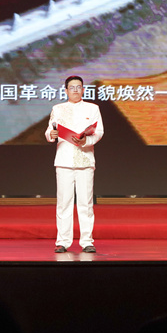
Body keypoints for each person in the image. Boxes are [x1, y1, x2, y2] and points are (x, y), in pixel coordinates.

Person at [45, 76, 104, 253]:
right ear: (66, 91)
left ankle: (87, 241)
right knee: (64, 203)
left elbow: (99, 131)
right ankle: (63, 241)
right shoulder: (58, 108)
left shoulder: (93, 108)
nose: (76, 90)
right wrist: (51, 135)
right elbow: (49, 130)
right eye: (72, 87)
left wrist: (86, 140)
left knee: (86, 203)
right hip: (64, 160)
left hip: (85, 159)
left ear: (84, 90)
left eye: (79, 87)